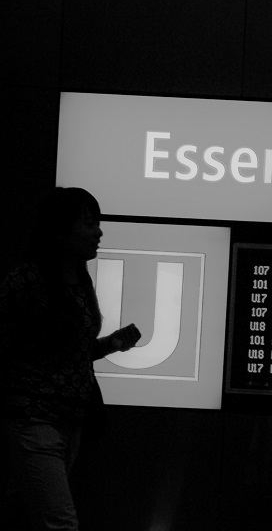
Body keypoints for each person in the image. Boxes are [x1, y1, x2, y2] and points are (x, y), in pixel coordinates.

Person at [1, 187, 141, 531]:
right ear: (59, 230)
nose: (99, 232)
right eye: (89, 223)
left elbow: (67, 353)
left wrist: (110, 344)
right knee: (60, 524)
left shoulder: (78, 278)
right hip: (33, 421)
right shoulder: (27, 281)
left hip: (68, 423)